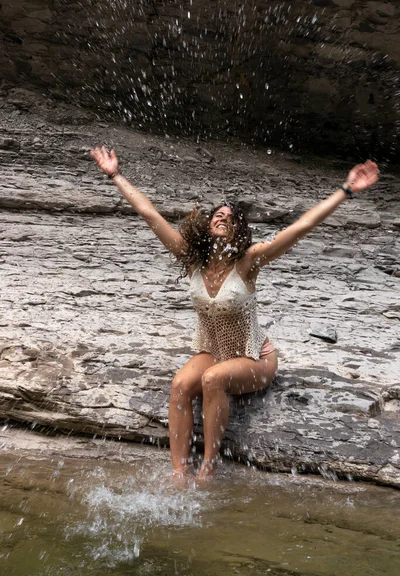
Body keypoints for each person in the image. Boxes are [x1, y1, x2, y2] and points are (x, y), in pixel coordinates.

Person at [90, 146, 379, 479]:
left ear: (239, 231)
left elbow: (300, 227)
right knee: (181, 384)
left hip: (255, 358)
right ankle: (179, 473)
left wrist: (345, 190)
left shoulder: (248, 261)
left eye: (229, 217)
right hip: (214, 351)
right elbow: (150, 214)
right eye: (217, 214)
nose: (221, 217)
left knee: (213, 379)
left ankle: (209, 469)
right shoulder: (191, 256)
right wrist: (114, 175)